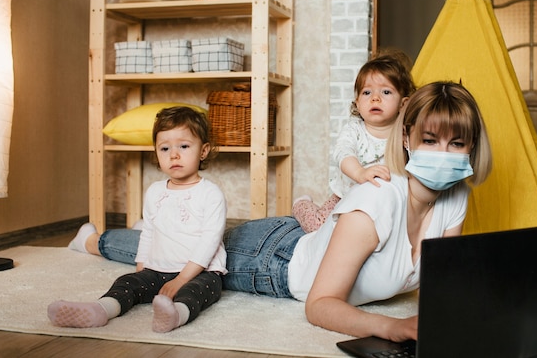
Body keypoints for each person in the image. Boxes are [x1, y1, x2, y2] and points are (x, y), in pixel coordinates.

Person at [222, 81, 492, 341]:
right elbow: (319, 304)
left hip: (312, 237)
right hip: (272, 257)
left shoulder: (457, 197)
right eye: (430, 141)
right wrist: (391, 327)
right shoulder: (376, 200)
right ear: (405, 138)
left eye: (456, 144)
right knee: (190, 255)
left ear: (472, 146)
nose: (443, 154)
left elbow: (442, 287)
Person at [48, 106, 227, 332]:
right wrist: (141, 269)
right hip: (157, 269)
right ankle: (101, 309)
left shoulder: (210, 193)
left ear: (203, 151)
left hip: (200, 272)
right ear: (156, 152)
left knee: (200, 290)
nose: (174, 154)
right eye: (164, 148)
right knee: (127, 283)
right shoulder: (154, 191)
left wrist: (181, 280)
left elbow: (209, 241)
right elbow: (149, 232)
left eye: (183, 146)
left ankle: (176, 315)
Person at [292, 49, 416, 232]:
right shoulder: (354, 130)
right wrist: (359, 173)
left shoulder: (404, 134)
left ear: (403, 104)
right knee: (319, 227)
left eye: (386, 92)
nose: (375, 98)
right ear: (357, 102)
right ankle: (301, 204)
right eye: (367, 93)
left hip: (382, 200)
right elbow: (344, 153)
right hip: (346, 194)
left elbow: (415, 161)